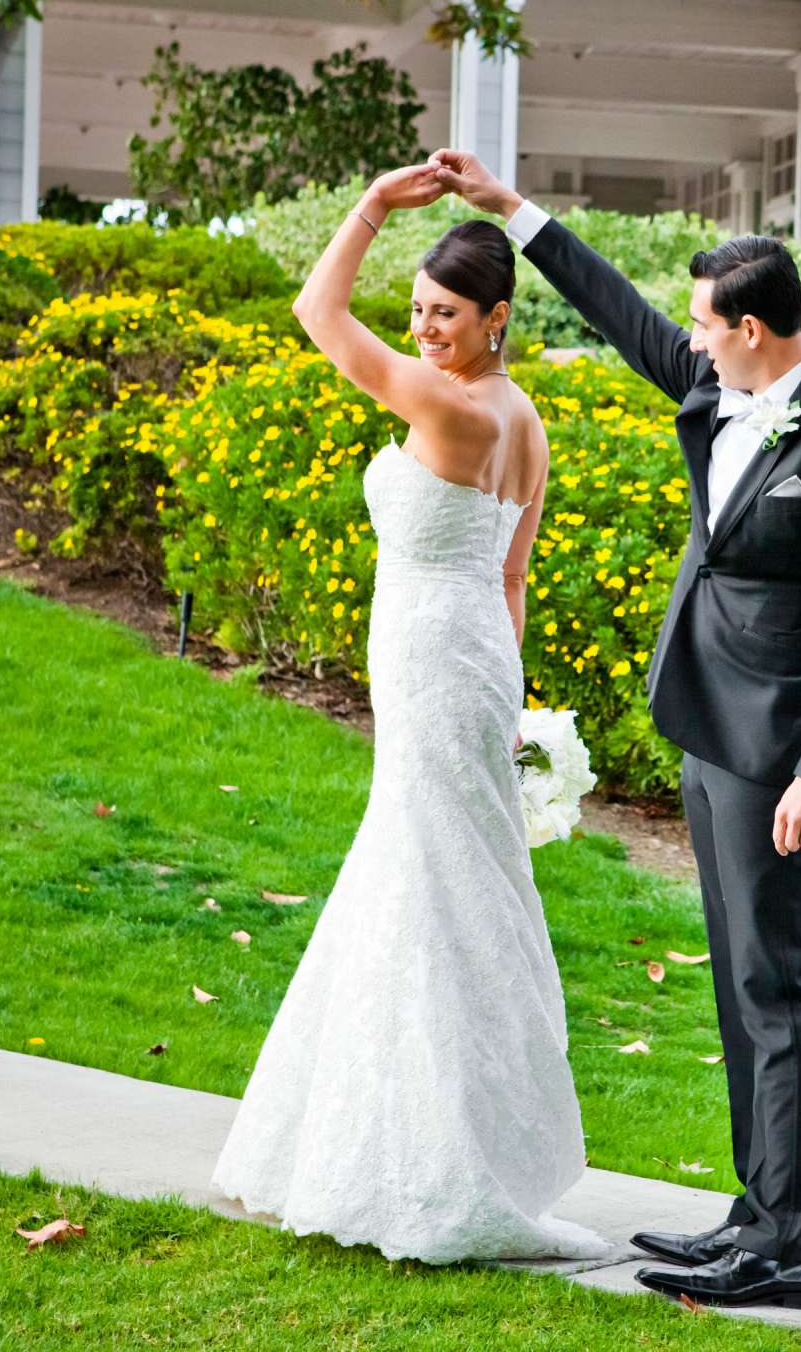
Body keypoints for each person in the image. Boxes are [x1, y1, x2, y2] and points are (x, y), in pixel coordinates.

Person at [433, 146, 801, 1312]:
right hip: (711, 734)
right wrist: (513, 211)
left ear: (753, 328)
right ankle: (756, 1214)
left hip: (781, 755)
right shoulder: (718, 387)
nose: (689, 338)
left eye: (707, 324)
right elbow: (623, 315)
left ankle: (792, 1248)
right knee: (744, 987)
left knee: (782, 984)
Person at [206, 161, 612, 1265]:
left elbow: (314, 312)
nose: (426, 330)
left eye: (445, 313)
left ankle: (430, 1159)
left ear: (497, 318)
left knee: (427, 879)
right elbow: (515, 577)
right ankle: (415, 1133)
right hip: (472, 657)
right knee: (441, 871)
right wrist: (507, 694)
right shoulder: (524, 418)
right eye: (418, 312)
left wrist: (377, 208)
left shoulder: (444, 404)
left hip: (438, 660)